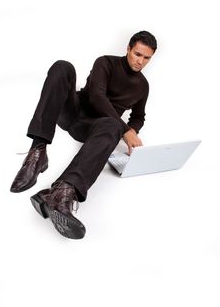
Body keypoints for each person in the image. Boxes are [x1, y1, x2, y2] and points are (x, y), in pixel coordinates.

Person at [10, 30, 157, 240]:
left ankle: (62, 193)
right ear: (128, 49)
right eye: (137, 54)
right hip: (74, 111)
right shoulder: (105, 62)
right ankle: (37, 152)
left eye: (146, 58)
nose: (140, 61)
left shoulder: (143, 86)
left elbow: (139, 115)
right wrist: (125, 130)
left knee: (113, 128)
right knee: (63, 67)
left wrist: (132, 129)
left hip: (96, 128)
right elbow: (97, 97)